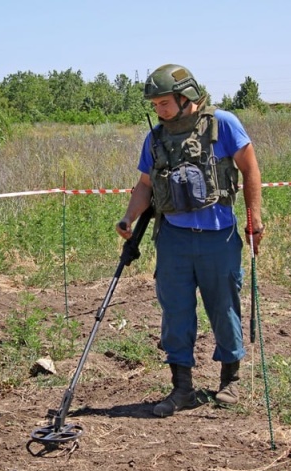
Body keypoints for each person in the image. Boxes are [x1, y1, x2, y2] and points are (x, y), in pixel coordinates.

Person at [116, 64, 264, 417]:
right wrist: (128, 217)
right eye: (155, 105)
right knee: (176, 312)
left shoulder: (223, 124)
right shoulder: (155, 139)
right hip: (173, 239)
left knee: (223, 307)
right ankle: (182, 387)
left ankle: (231, 379)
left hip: (219, 238)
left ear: (187, 97)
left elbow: (250, 168)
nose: (159, 111)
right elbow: (145, 185)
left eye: (164, 103)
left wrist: (254, 216)